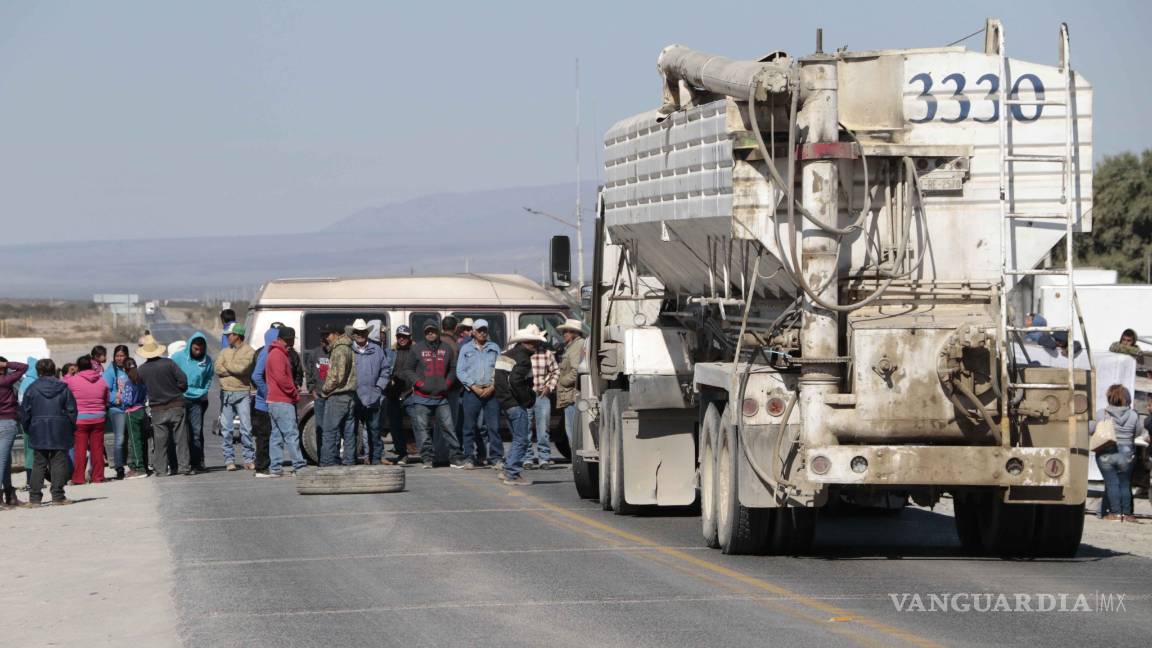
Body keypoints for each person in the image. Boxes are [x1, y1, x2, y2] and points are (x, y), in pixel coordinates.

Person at [400, 320, 466, 468]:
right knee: (423, 431)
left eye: (433, 331)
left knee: (449, 428)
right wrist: (419, 383)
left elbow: (453, 368)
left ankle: (456, 457)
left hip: (441, 398)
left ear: (438, 332)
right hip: (421, 398)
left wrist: (447, 384)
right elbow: (408, 369)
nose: (431, 334)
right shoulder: (417, 349)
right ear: (424, 333)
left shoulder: (447, 348)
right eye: (428, 331)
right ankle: (427, 459)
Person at [20, 359, 77, 506]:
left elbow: (25, 413)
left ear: (38, 371)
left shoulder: (31, 389)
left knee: (39, 463)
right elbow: (72, 411)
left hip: (38, 428)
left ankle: (34, 498)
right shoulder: (64, 388)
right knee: (58, 462)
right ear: (54, 370)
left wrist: (28, 428)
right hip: (59, 428)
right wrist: (70, 427)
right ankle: (58, 496)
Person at [494, 325, 544, 485]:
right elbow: (516, 381)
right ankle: (512, 473)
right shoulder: (523, 359)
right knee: (522, 439)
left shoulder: (507, 355)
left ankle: (508, 469)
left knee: (517, 438)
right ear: (527, 342)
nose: (536, 346)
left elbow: (501, 380)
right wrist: (527, 399)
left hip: (505, 402)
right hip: (515, 403)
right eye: (534, 342)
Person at [136, 335, 191, 476]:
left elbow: (140, 387)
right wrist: (179, 390)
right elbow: (183, 380)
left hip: (157, 409)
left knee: (160, 443)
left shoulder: (142, 370)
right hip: (177, 405)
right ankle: (184, 467)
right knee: (181, 439)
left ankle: (160, 470)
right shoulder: (169, 363)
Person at [456, 319, 503, 469]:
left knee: (493, 426)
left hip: (491, 391)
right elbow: (460, 371)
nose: (482, 333)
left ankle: (496, 458)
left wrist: (493, 386)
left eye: (485, 330)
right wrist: (473, 386)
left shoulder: (494, 347)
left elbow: (500, 369)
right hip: (472, 392)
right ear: (473, 332)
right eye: (479, 330)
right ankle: (469, 457)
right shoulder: (465, 348)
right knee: (469, 426)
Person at [1090, 384, 1140, 522]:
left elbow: (1091, 430)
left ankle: (1115, 514)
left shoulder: (1102, 413)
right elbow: (1138, 432)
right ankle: (1127, 514)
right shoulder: (1133, 414)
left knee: (1112, 483)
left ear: (1109, 397)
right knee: (1125, 483)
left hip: (1106, 453)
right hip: (1127, 453)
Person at [263, 326, 306, 477]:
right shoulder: (277, 355)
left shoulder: (276, 353)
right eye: (291, 339)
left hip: (274, 401)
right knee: (291, 434)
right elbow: (282, 379)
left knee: (277, 435)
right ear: (286, 339)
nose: (292, 343)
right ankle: (299, 467)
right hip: (282, 401)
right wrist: (294, 392)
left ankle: (275, 467)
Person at [350, 319, 393, 465]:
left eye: (363, 332)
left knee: (374, 430)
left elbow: (385, 370)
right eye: (357, 332)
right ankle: (350, 460)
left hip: (373, 397)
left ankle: (375, 459)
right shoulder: (348, 350)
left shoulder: (377, 350)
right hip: (353, 398)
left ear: (367, 333)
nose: (360, 335)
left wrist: (379, 387)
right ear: (353, 334)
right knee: (351, 432)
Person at [63, 355, 109, 484]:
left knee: (80, 449)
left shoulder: (72, 380)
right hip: (99, 417)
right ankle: (98, 477)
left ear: (78, 367)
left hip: (80, 419)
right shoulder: (101, 380)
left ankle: (78, 478)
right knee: (97, 448)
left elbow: (61, 386)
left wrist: (68, 374)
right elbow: (106, 399)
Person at [215, 323, 256, 471]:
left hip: (242, 392)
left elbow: (243, 369)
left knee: (246, 428)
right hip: (226, 393)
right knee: (226, 429)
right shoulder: (224, 351)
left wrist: (228, 368)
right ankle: (229, 460)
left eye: (229, 335)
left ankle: (249, 459)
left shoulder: (249, 352)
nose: (227, 337)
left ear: (236, 335)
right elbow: (217, 368)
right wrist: (232, 370)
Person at [173, 332, 214, 472]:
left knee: (196, 432)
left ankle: (197, 463)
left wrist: (203, 391)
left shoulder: (207, 361)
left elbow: (209, 377)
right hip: (180, 398)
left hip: (197, 400)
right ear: (190, 346)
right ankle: (182, 463)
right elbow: (170, 373)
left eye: (201, 349)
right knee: (181, 433)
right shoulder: (178, 357)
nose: (199, 351)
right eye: (196, 349)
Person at [319, 324, 357, 466]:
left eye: (328, 335)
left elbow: (336, 376)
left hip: (338, 395)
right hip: (350, 395)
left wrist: (325, 390)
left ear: (336, 333)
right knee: (348, 432)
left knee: (329, 431)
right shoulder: (349, 347)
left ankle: (327, 463)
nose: (326, 338)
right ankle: (349, 461)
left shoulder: (339, 349)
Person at [524, 326, 559, 469]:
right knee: (525, 428)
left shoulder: (547, 353)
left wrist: (549, 387)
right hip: (525, 396)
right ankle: (527, 458)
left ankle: (544, 458)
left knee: (543, 428)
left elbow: (555, 371)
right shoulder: (521, 354)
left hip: (541, 395)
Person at [0, 357, 29, 508]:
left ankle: (10, 496)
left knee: (5, 461)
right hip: (7, 422)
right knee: (2, 461)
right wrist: (6, 363)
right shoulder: (5, 380)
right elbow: (24, 367)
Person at [382, 325, 414, 464]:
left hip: (412, 393)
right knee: (395, 426)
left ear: (409, 337)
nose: (402, 339)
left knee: (419, 424)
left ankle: (427, 455)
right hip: (394, 394)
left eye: (405, 336)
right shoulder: (390, 351)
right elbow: (384, 369)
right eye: (399, 336)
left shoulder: (416, 351)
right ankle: (402, 454)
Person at [250, 327, 278, 477]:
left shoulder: (271, 351)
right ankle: (261, 467)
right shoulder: (266, 352)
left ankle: (271, 465)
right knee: (264, 436)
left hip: (270, 402)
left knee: (271, 435)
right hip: (263, 403)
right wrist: (267, 391)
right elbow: (256, 376)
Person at [555, 319, 586, 449]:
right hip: (570, 394)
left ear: (575, 333)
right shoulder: (572, 347)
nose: (564, 334)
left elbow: (576, 370)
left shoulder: (576, 347)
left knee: (572, 429)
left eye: (568, 331)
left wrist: (562, 381)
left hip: (571, 394)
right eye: (564, 332)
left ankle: (576, 459)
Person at [303, 328, 332, 466]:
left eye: (328, 337)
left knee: (333, 428)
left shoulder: (335, 352)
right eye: (324, 338)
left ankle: (332, 458)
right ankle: (321, 458)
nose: (326, 340)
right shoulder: (315, 353)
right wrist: (311, 390)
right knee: (319, 428)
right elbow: (308, 373)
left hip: (333, 397)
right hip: (319, 397)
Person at [103, 345, 132, 480]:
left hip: (131, 408)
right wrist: (115, 399)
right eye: (117, 356)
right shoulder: (110, 372)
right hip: (117, 409)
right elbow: (104, 391)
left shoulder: (130, 369)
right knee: (119, 439)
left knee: (132, 438)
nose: (120, 358)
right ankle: (119, 467)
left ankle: (134, 465)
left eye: (122, 356)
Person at [120, 358, 149, 478]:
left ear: (125, 369)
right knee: (141, 440)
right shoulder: (141, 381)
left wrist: (120, 394)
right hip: (141, 410)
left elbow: (128, 400)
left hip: (131, 413)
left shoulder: (128, 382)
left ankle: (139, 468)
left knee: (134, 441)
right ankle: (144, 465)